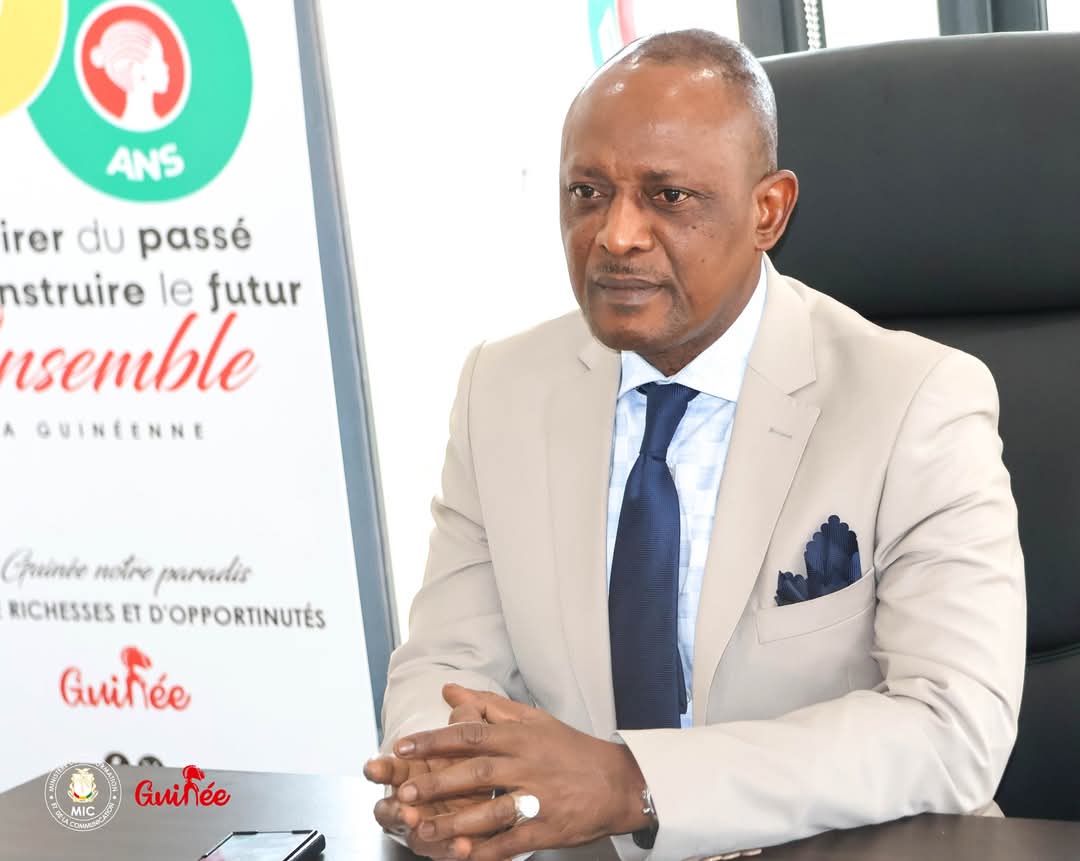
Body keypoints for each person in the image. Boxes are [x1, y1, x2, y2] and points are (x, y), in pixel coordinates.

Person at [365, 29, 1025, 861]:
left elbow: (951, 724)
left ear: (767, 211)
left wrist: (634, 783)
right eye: (587, 192)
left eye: (668, 196)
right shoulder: (500, 388)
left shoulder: (916, 399)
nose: (616, 235)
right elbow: (448, 660)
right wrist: (443, 779)